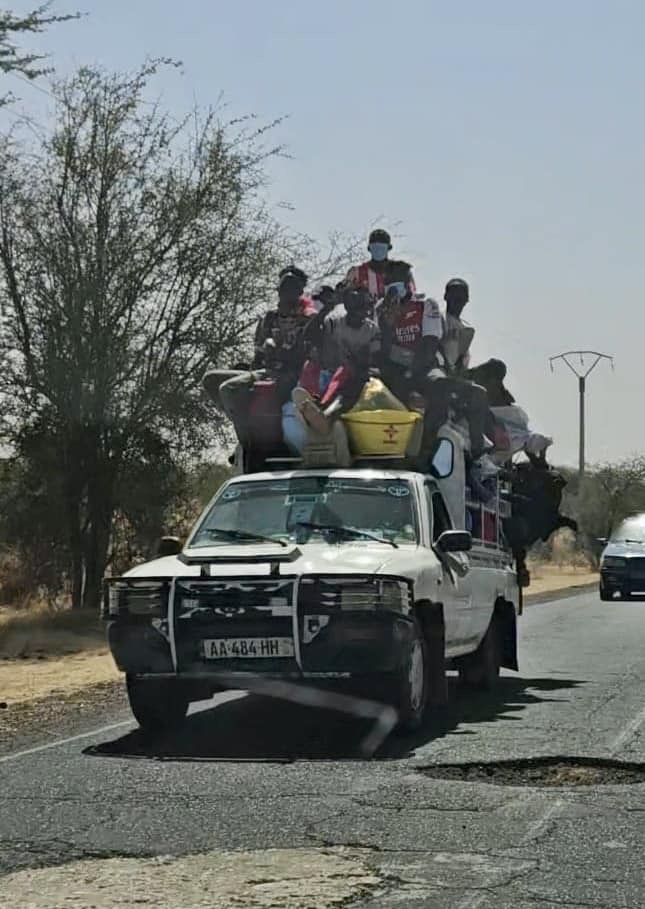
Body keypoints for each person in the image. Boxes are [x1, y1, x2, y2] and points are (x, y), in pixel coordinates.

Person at [206, 268, 315, 468]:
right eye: (283, 287)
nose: (286, 292)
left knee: (228, 389)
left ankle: (248, 443)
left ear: (300, 291)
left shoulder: (308, 319)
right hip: (265, 371)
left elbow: (309, 359)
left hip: (291, 376)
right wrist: (252, 367)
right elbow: (258, 355)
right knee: (212, 379)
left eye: (292, 287)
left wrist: (281, 351)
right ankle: (244, 427)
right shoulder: (269, 318)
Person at [293, 286, 380, 435]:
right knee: (313, 365)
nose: (357, 313)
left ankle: (326, 413)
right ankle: (314, 407)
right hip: (328, 375)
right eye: (353, 306)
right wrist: (326, 308)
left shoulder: (371, 330)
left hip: (355, 380)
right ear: (346, 306)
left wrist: (360, 364)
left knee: (352, 374)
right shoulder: (333, 323)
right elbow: (308, 335)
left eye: (361, 306)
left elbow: (374, 359)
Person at [419, 278, 489, 462]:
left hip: (453, 377)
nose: (457, 300)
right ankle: (427, 446)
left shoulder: (466, 329)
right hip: (434, 372)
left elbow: (461, 362)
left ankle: (476, 451)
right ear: (445, 296)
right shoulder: (436, 318)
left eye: (461, 296)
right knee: (441, 385)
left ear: (467, 299)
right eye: (453, 295)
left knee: (479, 394)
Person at [376, 281, 443, 406]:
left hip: (425, 368)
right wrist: (387, 326)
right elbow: (383, 351)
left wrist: (410, 374)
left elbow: (430, 347)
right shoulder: (381, 309)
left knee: (439, 384)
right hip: (396, 369)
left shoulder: (426, 305)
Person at [345, 228, 415, 301]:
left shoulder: (401, 270)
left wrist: (403, 293)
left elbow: (412, 296)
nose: (378, 251)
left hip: (396, 311)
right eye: (375, 248)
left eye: (382, 248)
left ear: (388, 248)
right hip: (363, 311)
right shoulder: (356, 273)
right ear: (370, 249)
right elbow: (340, 293)